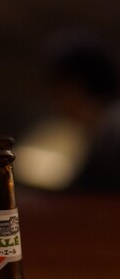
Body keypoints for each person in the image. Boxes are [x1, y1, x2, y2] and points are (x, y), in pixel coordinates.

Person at [43, 31, 120, 192]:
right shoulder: (104, 128)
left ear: (73, 86)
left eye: (55, 90)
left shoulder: (112, 130)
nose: (54, 102)